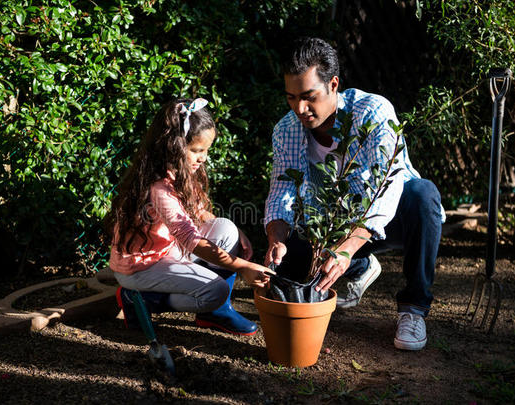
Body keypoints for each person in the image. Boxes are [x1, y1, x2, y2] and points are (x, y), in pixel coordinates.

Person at [263, 37, 445, 350]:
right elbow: (282, 190)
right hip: (329, 227)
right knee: (289, 265)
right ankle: (361, 267)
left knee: (423, 195)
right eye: (291, 98)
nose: (299, 109)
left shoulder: (372, 112)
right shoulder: (286, 129)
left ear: (333, 84)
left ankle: (414, 308)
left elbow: (386, 188)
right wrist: (276, 240)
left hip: (390, 221)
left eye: (309, 97)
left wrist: (348, 247)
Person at [106, 98, 271, 336]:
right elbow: (189, 238)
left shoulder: (182, 170)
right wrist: (242, 266)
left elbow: (198, 212)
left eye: (206, 150)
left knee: (226, 229)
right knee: (216, 292)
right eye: (196, 150)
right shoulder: (159, 187)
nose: (203, 157)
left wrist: (236, 233)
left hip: (164, 249)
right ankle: (140, 299)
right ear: (173, 146)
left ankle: (214, 314)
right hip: (140, 268)